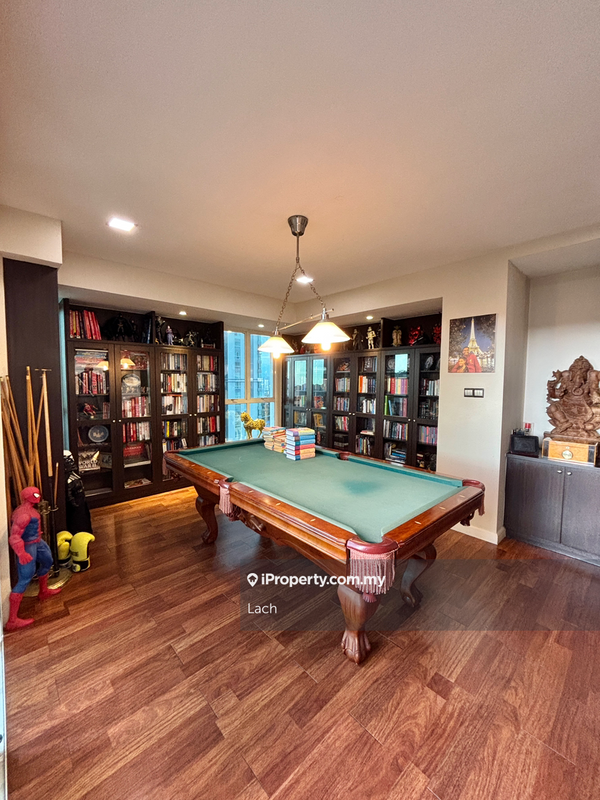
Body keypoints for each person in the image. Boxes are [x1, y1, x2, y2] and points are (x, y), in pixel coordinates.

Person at [5, 486, 61, 631]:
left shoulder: (31, 510)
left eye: (38, 494)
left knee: (48, 561)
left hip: (38, 542)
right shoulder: (23, 514)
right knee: (25, 577)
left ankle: (43, 591)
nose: (38, 497)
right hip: (28, 546)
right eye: (35, 495)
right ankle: (12, 620)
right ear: (27, 497)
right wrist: (22, 553)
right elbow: (14, 536)